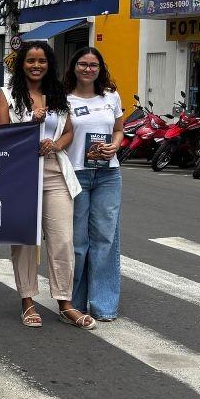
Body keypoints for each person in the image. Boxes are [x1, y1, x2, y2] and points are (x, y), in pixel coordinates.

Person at [0, 43, 93, 330]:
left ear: (49, 64)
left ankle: (65, 303)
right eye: (30, 61)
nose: (36, 66)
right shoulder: (8, 95)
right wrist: (30, 123)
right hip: (21, 174)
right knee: (26, 239)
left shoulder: (58, 95)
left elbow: (69, 132)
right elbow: (1, 136)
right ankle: (27, 301)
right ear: (21, 64)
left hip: (55, 170)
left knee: (63, 239)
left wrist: (55, 144)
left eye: (41, 61)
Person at [64, 47, 125, 322]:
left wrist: (115, 145)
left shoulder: (111, 96)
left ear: (100, 69)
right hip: (75, 173)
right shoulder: (62, 98)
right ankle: (73, 303)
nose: (88, 69)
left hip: (108, 174)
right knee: (77, 241)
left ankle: (103, 304)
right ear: (74, 67)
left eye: (94, 65)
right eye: (83, 64)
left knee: (105, 239)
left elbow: (119, 128)